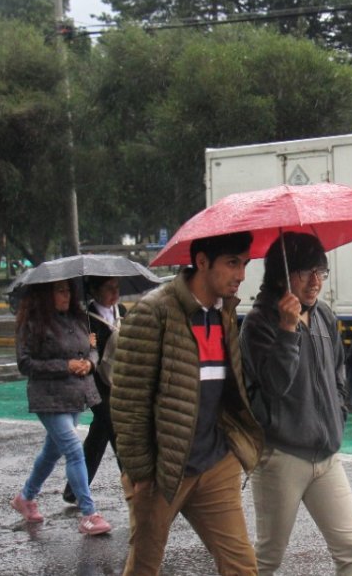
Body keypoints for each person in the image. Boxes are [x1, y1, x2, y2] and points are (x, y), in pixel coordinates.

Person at [112, 231, 263, 576]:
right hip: (164, 468)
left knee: (242, 566)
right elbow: (129, 403)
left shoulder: (224, 312)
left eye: (244, 264)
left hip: (215, 463)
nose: (240, 274)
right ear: (201, 262)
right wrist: (140, 472)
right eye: (232, 263)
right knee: (145, 566)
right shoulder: (154, 313)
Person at [240, 233, 352, 576]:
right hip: (280, 457)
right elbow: (274, 386)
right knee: (267, 558)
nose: (315, 282)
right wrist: (286, 330)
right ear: (282, 275)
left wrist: (338, 412)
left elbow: (338, 370)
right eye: (305, 272)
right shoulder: (258, 324)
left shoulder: (324, 315)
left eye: (321, 272)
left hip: (326, 457)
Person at [10, 279, 112, 536]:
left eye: (68, 290)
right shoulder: (31, 324)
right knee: (74, 449)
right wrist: (64, 366)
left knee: (51, 451)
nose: (66, 295)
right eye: (60, 291)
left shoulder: (79, 319)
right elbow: (25, 363)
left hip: (76, 395)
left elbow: (92, 347)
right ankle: (89, 513)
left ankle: (26, 497)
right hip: (48, 397)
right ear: (45, 294)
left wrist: (90, 363)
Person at [62, 276, 126, 505]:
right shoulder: (86, 320)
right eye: (109, 288)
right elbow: (86, 352)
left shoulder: (122, 311)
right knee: (119, 432)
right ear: (94, 291)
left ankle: (74, 490)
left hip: (119, 382)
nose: (115, 293)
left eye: (117, 287)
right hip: (97, 386)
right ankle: (135, 487)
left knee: (99, 436)